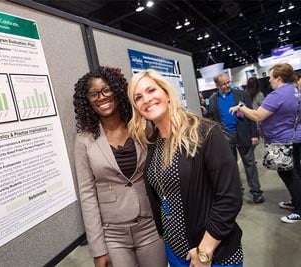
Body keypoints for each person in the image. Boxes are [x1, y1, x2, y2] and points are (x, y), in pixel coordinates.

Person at [128, 69, 243, 267]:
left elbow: (230, 197)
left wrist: (205, 250)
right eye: (138, 97)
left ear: (166, 94)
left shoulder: (204, 133)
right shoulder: (154, 143)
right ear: (137, 108)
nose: (146, 99)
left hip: (212, 253)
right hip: (175, 250)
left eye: (151, 90)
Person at [73, 66, 167, 267]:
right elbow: (87, 194)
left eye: (106, 90)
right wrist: (98, 249)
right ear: (87, 100)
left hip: (149, 225)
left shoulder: (142, 126)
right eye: (94, 94)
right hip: (112, 234)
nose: (101, 97)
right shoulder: (84, 141)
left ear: (116, 90)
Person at [229, 63, 301, 223]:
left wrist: (241, 108)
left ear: (279, 78)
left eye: (271, 77)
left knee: (288, 173)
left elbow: (257, 115)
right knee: (295, 170)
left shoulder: (278, 95)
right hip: (294, 136)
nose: (269, 80)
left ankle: (299, 208)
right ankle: (296, 200)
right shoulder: (295, 90)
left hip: (282, 139)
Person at [208, 73, 264, 204]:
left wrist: (254, 135)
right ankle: (237, 190)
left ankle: (256, 192)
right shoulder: (213, 99)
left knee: (250, 164)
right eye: (224, 84)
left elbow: (252, 115)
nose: (228, 85)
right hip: (226, 137)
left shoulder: (241, 94)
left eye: (228, 82)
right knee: (231, 166)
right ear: (217, 85)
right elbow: (213, 118)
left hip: (243, 134)